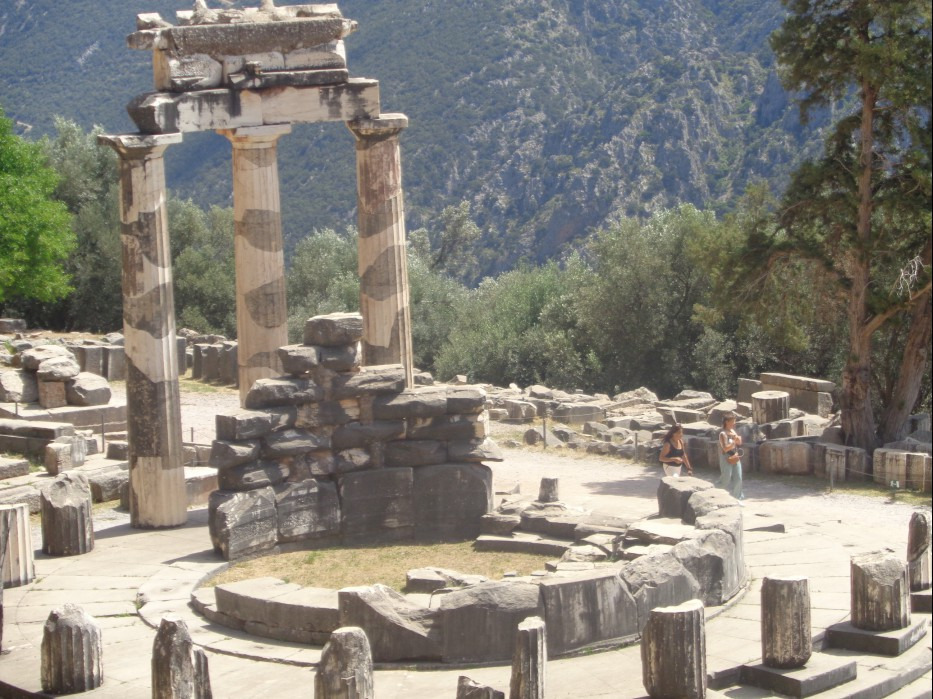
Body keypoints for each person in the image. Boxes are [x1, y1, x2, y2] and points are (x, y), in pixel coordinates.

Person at [718, 412, 744, 501]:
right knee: (726, 479)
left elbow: (739, 443)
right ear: (727, 422)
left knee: (738, 478)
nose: (734, 423)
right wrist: (733, 441)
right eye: (733, 421)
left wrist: (738, 439)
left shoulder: (733, 431)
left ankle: (738, 498)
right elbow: (725, 448)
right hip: (726, 457)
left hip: (735, 456)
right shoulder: (722, 434)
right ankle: (714, 492)